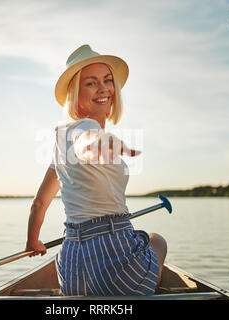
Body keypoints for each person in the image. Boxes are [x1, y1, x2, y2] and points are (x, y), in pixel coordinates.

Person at [25, 44, 167, 296]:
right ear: (74, 92)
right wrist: (102, 144)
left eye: (107, 80)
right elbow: (86, 143)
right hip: (115, 259)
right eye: (91, 83)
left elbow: (39, 203)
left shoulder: (60, 141)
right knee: (157, 240)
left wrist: (32, 241)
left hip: (71, 269)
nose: (103, 88)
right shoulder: (86, 131)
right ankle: (146, 290)